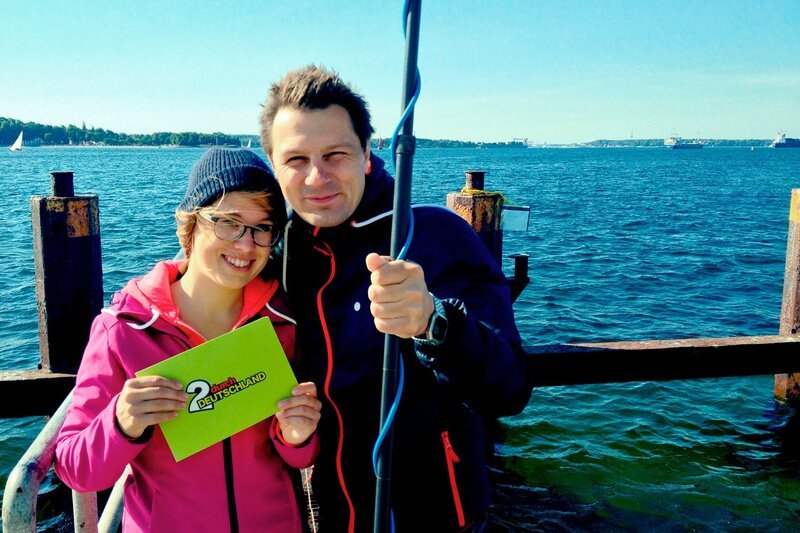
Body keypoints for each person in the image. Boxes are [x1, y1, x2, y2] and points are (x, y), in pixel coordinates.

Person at [259, 65, 531, 532]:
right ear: (273, 166)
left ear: (367, 153)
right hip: (330, 511)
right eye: (296, 160)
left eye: (336, 154)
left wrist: (435, 324)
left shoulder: (435, 237)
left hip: (438, 514)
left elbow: (509, 388)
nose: (317, 176)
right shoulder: (279, 252)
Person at [55, 147, 322, 532]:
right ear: (192, 224)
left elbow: (300, 456)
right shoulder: (124, 329)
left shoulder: (283, 322)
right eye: (228, 222)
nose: (246, 244)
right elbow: (75, 469)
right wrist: (121, 422)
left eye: (263, 228)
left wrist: (298, 437)